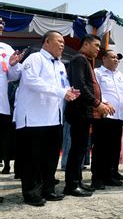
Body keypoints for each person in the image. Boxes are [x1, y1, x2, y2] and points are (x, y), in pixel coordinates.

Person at [15, 31, 80, 206]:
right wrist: (61, 91)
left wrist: (70, 91)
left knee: (50, 158)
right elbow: (31, 81)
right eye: (59, 41)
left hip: (53, 118)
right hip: (34, 118)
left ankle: (48, 189)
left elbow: (63, 85)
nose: (62, 45)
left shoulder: (59, 64)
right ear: (46, 42)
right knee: (32, 159)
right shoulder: (35, 59)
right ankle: (31, 193)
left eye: (63, 42)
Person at [64, 34, 114, 197]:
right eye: (96, 45)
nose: (98, 49)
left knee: (81, 148)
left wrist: (101, 102)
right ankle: (71, 185)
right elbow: (79, 86)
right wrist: (97, 103)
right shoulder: (78, 59)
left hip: (85, 112)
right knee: (78, 148)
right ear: (85, 44)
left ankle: (77, 181)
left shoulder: (86, 61)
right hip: (79, 112)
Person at [91, 50, 123, 189]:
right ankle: (97, 177)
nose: (116, 60)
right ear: (104, 59)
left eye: (117, 58)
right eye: (113, 57)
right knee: (101, 147)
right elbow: (96, 92)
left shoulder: (119, 75)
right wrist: (106, 102)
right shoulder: (98, 72)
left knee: (114, 147)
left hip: (118, 116)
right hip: (104, 115)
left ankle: (110, 175)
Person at [0, 17, 24, 204]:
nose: (1, 25)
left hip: (1, 107)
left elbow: (13, 76)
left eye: (2, 24)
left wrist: (15, 64)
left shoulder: (6, 49)